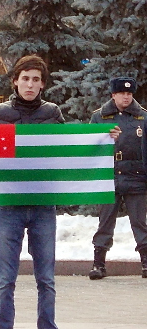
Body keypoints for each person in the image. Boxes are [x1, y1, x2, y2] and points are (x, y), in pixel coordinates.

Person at [0, 55, 64, 329]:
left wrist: (104, 138)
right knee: (6, 279)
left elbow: (64, 152)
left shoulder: (53, 113)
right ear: (14, 81)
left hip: (44, 205)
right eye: (25, 79)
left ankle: (47, 325)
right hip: (10, 205)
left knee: (46, 279)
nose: (29, 84)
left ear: (42, 84)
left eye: (35, 80)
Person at [89, 77, 147, 280]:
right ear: (113, 95)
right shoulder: (99, 117)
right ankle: (99, 264)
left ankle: (146, 262)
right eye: (122, 93)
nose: (126, 96)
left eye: (129, 93)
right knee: (105, 222)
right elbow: (90, 147)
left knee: (140, 222)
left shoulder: (143, 118)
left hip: (136, 176)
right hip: (109, 175)